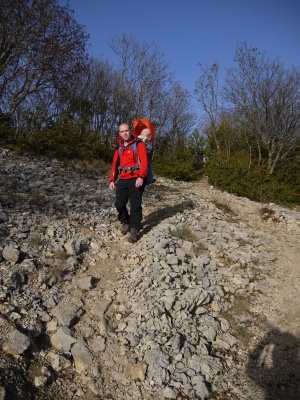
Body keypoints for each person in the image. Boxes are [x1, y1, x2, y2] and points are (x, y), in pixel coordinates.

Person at [109, 123, 148, 243]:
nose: (125, 133)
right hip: (123, 179)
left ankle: (134, 229)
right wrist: (112, 180)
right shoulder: (119, 148)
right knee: (119, 204)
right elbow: (115, 165)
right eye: (122, 131)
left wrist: (141, 177)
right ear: (119, 134)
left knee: (135, 205)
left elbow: (144, 161)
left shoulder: (139, 144)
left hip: (136, 178)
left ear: (130, 131)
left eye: (127, 130)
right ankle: (126, 221)